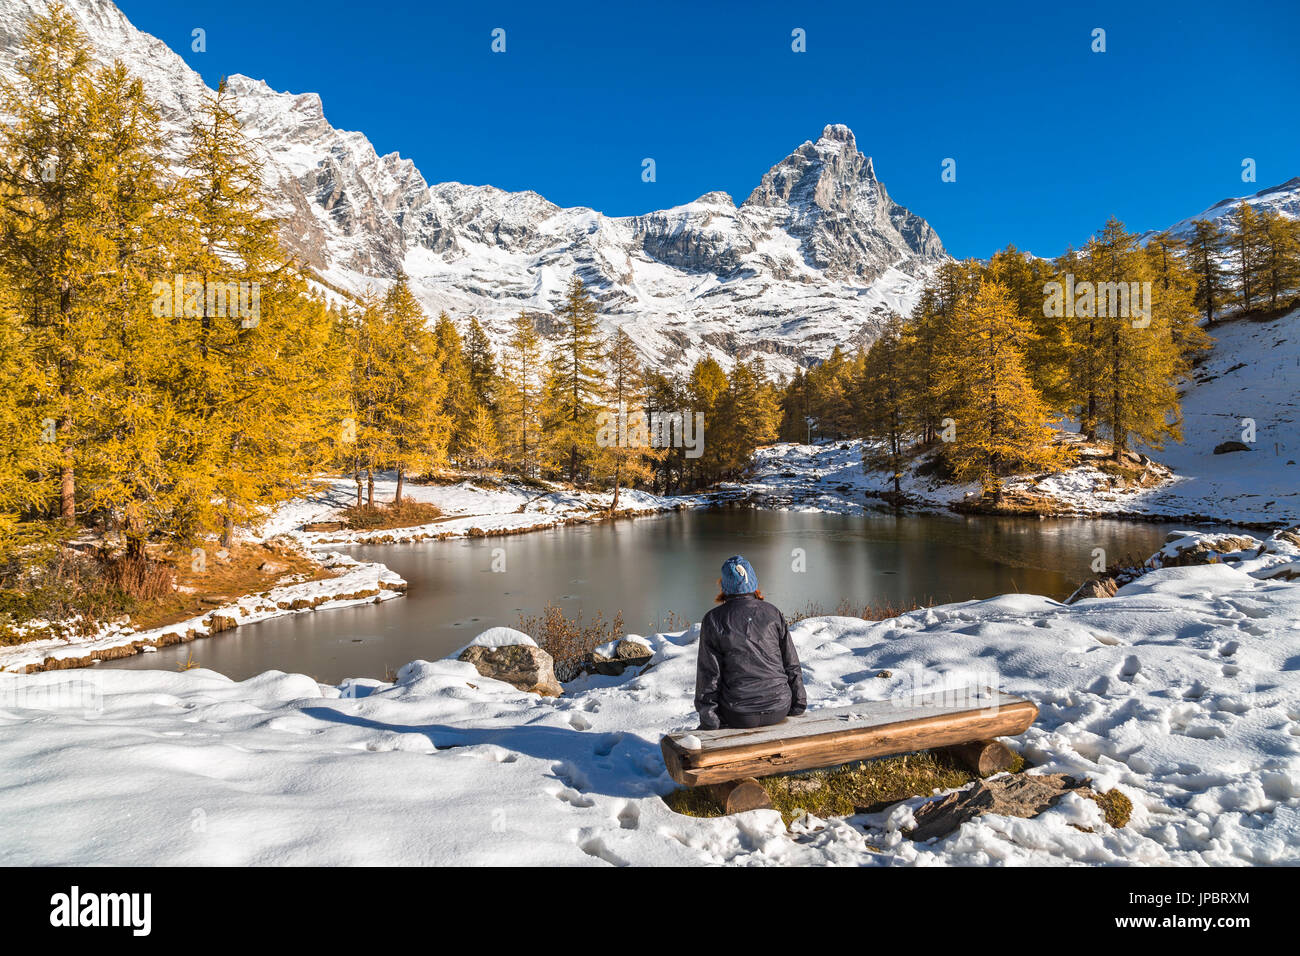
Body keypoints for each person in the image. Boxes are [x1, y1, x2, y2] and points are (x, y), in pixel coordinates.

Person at [694, 555, 807, 731]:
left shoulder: (713, 620)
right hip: (779, 708)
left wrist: (710, 721)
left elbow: (709, 675)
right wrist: (798, 703)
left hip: (738, 713)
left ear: (724, 585)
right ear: (754, 582)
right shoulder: (773, 613)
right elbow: (791, 663)